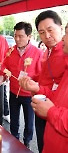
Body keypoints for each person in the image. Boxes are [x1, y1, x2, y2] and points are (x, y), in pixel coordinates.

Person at [20, 10, 66, 153]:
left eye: (50, 30)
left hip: (55, 114)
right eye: (41, 32)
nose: (47, 36)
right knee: (43, 143)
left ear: (61, 28)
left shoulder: (64, 54)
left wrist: (51, 111)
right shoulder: (46, 51)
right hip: (43, 106)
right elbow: (49, 83)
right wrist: (34, 84)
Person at [2, 22, 42, 148]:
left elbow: (41, 75)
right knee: (14, 120)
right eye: (15, 36)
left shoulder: (37, 52)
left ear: (29, 36)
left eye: (21, 36)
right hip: (13, 92)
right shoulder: (11, 51)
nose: (17, 39)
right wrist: (3, 72)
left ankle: (27, 142)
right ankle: (14, 140)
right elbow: (5, 66)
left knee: (29, 122)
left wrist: (34, 84)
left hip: (29, 94)